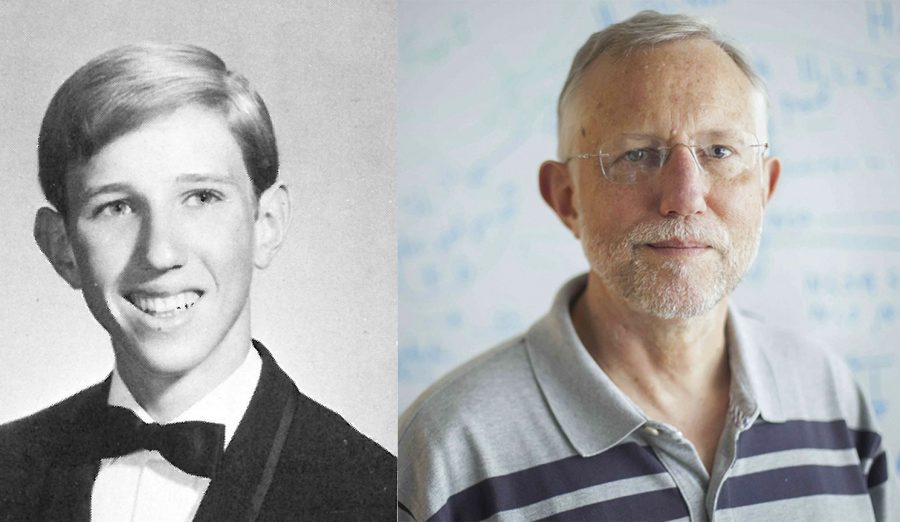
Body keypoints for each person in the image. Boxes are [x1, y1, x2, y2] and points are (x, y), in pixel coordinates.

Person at [399, 11, 898, 521]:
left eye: (720, 150)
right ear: (566, 198)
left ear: (765, 190)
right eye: (637, 155)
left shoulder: (829, 393)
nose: (685, 198)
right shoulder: (447, 450)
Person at [0, 43, 395, 520]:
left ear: (266, 224)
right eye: (115, 207)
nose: (160, 253)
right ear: (61, 247)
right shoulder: (11, 468)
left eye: (201, 197)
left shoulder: (373, 495)